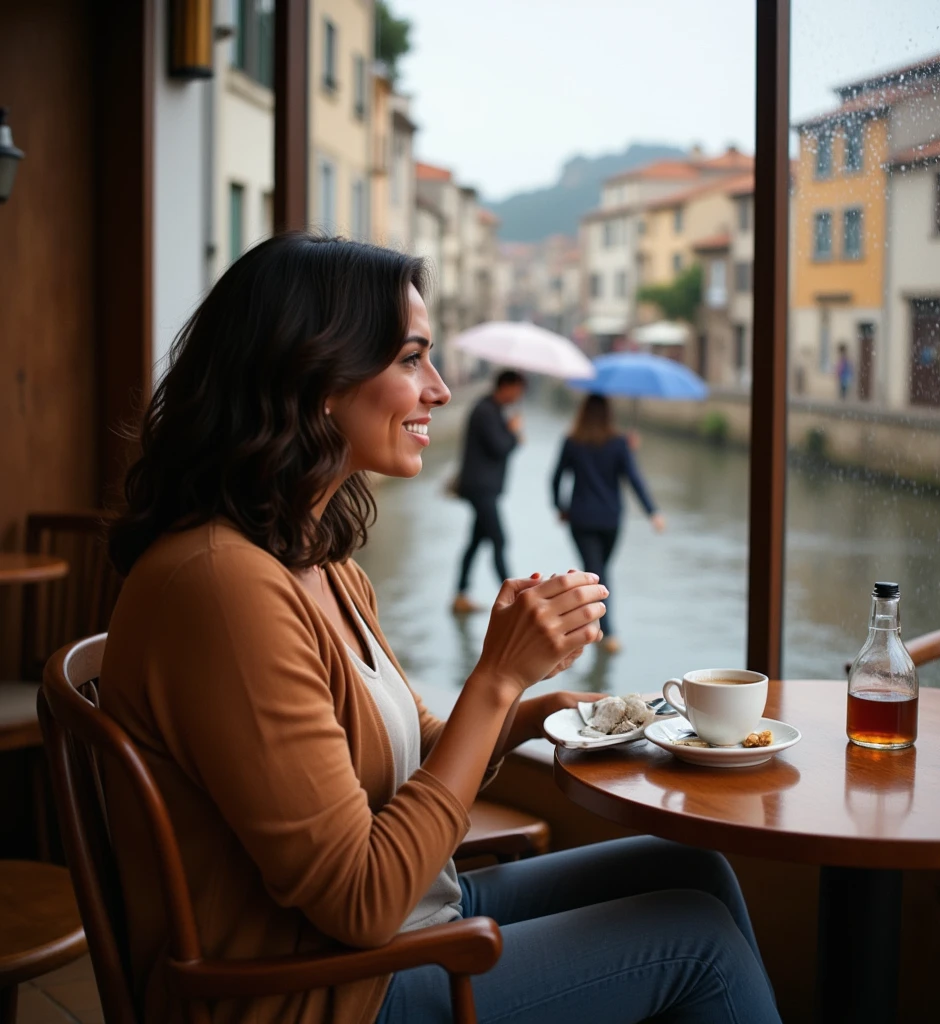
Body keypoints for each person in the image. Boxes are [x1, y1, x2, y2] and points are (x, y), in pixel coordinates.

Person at [101, 234, 780, 1024]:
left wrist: (558, 711)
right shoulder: (223, 586)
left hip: (394, 933)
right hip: (318, 991)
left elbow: (415, 754)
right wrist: (494, 678)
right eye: (412, 359)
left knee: (693, 870)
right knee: (695, 941)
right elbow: (362, 899)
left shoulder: (320, 564)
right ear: (315, 374)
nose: (442, 390)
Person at [551, 394, 665, 654]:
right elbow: (634, 479)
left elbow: (556, 479)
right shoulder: (618, 443)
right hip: (610, 519)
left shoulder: (572, 442)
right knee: (600, 572)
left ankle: (591, 628)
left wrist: (560, 508)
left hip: (580, 518)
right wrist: (653, 512)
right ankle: (606, 632)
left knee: (596, 572)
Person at [451, 369, 526, 614]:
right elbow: (499, 447)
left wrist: (509, 429)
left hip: (484, 488)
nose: (518, 396)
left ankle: (460, 595)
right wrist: (513, 432)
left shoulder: (492, 410)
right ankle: (514, 601)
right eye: (517, 391)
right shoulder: (486, 411)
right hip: (480, 488)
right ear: (506, 387)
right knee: (499, 539)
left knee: (475, 542)